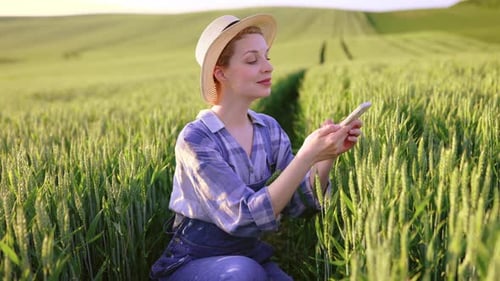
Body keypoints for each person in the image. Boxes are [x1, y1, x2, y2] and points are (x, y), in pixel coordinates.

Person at [150, 14, 362, 281]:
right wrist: (306, 155)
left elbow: (300, 205)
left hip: (249, 256)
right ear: (220, 72)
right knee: (244, 273)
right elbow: (244, 218)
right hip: (194, 261)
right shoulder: (197, 139)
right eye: (252, 60)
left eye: (267, 57)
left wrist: (326, 157)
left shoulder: (268, 129)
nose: (268, 67)